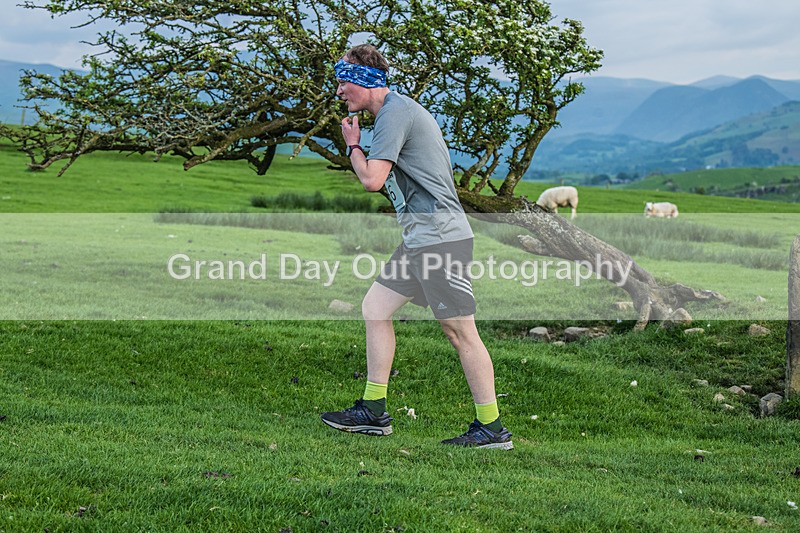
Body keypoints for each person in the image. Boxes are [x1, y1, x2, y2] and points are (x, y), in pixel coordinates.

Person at [320, 44, 512, 450]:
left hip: (440, 238)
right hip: (420, 239)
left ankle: (492, 428)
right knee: (375, 307)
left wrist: (352, 145)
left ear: (364, 81)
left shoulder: (394, 114)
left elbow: (372, 180)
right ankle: (373, 410)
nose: (338, 91)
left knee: (460, 331)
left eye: (343, 81)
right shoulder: (392, 114)